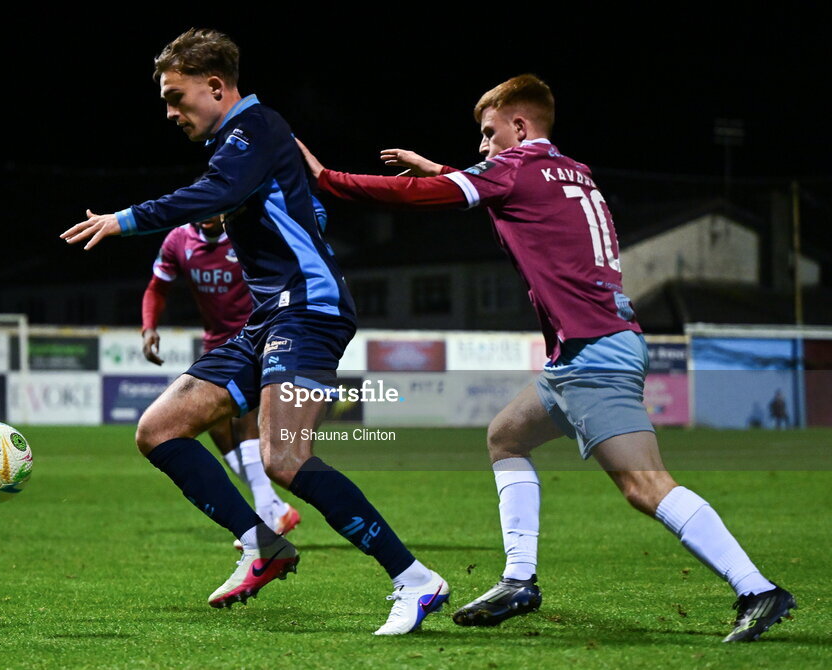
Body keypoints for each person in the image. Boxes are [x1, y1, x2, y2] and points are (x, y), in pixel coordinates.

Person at [296, 74, 794, 642]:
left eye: (489, 134)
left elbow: (419, 198)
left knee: (646, 486)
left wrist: (324, 177)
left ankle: (756, 588)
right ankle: (518, 580)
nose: (483, 147)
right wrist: (443, 171)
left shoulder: (516, 170)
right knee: (506, 435)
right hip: (586, 351)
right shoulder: (572, 172)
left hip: (594, 357)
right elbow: (501, 191)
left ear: (520, 125)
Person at [61, 28, 447, 635]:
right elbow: (304, 210)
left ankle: (416, 580)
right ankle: (260, 542)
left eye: (176, 96)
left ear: (216, 87)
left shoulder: (256, 127)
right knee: (159, 429)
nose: (170, 112)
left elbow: (221, 192)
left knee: (285, 457)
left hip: (308, 311)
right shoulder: (250, 143)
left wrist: (124, 219)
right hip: (267, 317)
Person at [142, 213, 300, 546]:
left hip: (255, 337)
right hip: (216, 343)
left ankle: (268, 512)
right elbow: (157, 287)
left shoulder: (245, 230)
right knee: (215, 427)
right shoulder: (178, 240)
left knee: (242, 418)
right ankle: (273, 505)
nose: (211, 211)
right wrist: (149, 326)